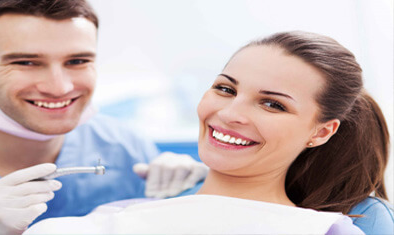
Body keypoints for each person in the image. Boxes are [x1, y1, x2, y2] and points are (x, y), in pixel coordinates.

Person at [25, 31, 393, 234]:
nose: (229, 113)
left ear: (321, 132)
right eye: (225, 89)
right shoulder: (104, 220)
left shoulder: (327, 231)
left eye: (272, 104)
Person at [0, 0, 208, 234]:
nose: (59, 87)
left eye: (77, 60)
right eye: (27, 62)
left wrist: (190, 199)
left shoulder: (124, 146)